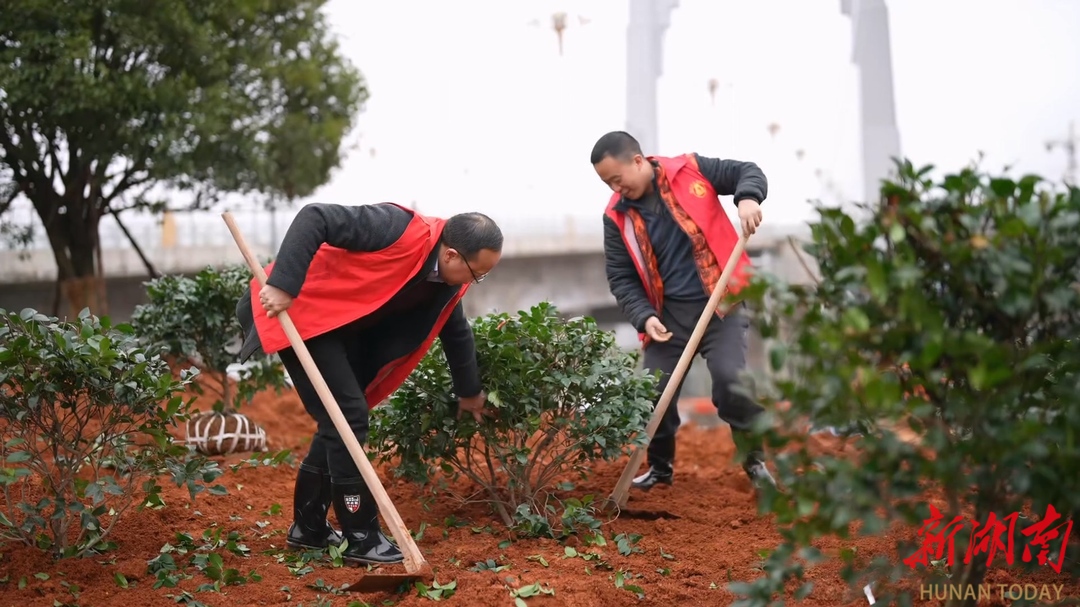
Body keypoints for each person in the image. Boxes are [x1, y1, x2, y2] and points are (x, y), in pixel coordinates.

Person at [235, 202, 503, 565]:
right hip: (301, 309)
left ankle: (309, 529)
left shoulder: (446, 281)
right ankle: (361, 536)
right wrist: (284, 285)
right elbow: (315, 217)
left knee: (339, 420)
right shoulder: (397, 229)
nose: (474, 282)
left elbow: (456, 333)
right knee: (348, 414)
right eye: (476, 273)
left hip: (339, 327)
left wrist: (469, 392)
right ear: (453, 254)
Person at [590, 130, 777, 493]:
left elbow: (747, 171)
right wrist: (644, 316)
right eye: (607, 183)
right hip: (668, 316)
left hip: (721, 303)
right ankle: (660, 469)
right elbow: (620, 276)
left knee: (728, 380)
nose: (615, 188)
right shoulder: (616, 216)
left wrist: (748, 199)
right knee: (653, 393)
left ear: (638, 161)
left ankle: (755, 461)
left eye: (617, 178)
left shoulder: (689, 170)